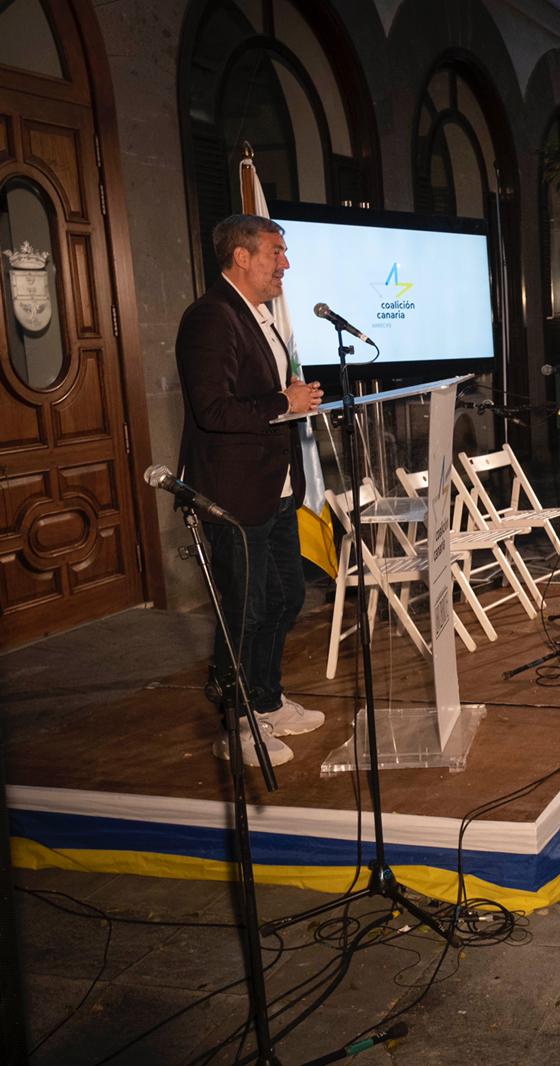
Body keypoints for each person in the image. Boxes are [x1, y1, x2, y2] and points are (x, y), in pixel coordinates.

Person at [174, 214, 326, 768]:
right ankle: (236, 723)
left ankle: (265, 699)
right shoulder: (210, 318)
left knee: (285, 598)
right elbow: (212, 410)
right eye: (276, 252)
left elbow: (262, 394)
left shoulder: (258, 315)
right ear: (242, 256)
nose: (285, 263)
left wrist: (293, 396)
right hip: (234, 494)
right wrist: (284, 403)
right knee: (243, 610)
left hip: (276, 488)